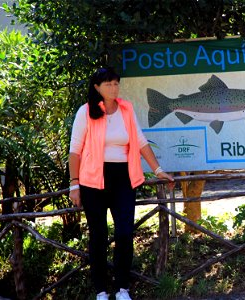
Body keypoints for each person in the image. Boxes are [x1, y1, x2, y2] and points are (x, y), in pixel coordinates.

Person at [68, 67, 174, 300]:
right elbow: (74, 151)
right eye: (108, 84)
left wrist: (158, 169)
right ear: (97, 87)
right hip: (92, 180)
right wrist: (74, 184)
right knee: (98, 235)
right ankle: (101, 291)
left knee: (125, 233)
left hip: (124, 179)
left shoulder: (126, 109)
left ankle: (122, 288)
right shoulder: (85, 112)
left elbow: (140, 141)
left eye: (116, 83)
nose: (114, 88)